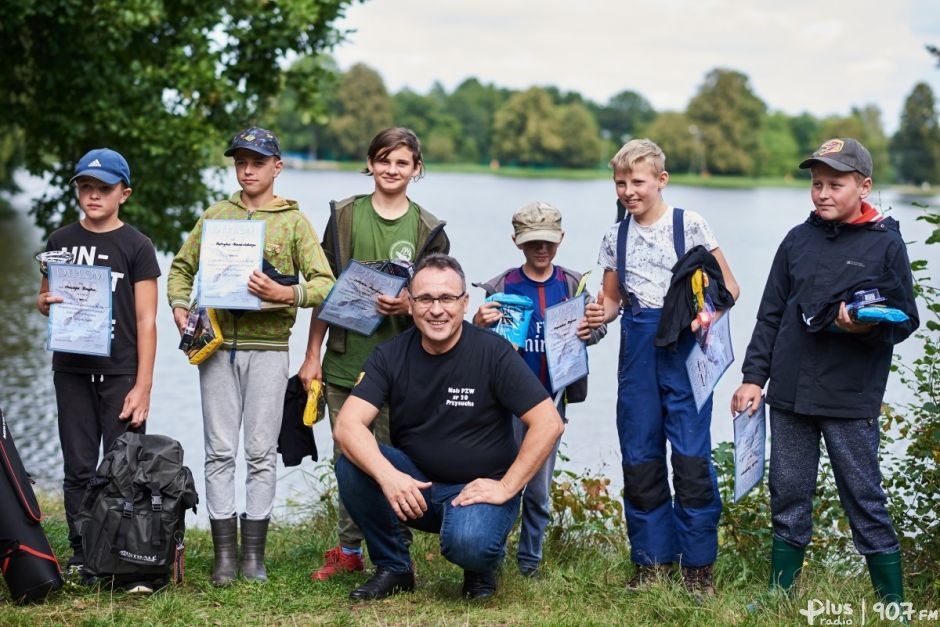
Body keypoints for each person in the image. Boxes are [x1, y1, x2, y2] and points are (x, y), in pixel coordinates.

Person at [731, 138, 918, 606]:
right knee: (788, 492)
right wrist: (754, 377)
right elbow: (770, 313)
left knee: (863, 496)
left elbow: (905, 319)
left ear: (864, 187)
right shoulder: (796, 240)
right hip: (791, 394)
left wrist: (860, 328)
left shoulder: (886, 245)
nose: (823, 193)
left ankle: (891, 602)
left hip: (848, 397)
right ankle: (780, 594)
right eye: (817, 184)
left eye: (835, 184)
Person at [332, 253, 565, 601]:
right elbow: (347, 425)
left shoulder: (494, 352)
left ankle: (480, 566)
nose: (436, 309)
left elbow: (548, 422)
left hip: (479, 492)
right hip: (418, 488)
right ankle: (394, 566)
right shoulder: (390, 355)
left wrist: (506, 487)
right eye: (425, 298)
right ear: (409, 304)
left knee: (469, 543)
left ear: (464, 302)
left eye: (446, 298)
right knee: (352, 460)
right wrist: (388, 475)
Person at [167, 127, 334, 585]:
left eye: (257, 161)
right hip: (215, 345)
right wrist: (181, 310)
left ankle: (253, 558)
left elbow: (325, 283)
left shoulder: (293, 222)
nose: (247, 169)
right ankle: (224, 557)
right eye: (241, 161)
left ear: (276, 167)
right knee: (219, 450)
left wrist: (286, 292)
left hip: (268, 348)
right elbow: (181, 268)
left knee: (260, 451)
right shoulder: (215, 216)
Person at [299, 127, 449, 581]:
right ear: (370, 163)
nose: (391, 169)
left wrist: (407, 305)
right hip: (345, 361)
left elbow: (444, 302)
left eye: (402, 162)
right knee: (349, 456)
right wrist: (311, 356)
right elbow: (324, 289)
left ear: (416, 169)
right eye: (383, 159)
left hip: (405, 366)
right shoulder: (344, 216)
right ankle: (348, 550)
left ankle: (396, 550)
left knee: (393, 456)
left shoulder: (429, 229)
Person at [596, 138, 739, 595]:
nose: (628, 191)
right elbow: (613, 301)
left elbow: (729, 289)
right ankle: (651, 564)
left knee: (693, 457)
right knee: (639, 456)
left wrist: (706, 313)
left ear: (661, 180)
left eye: (637, 181)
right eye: (620, 182)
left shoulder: (688, 224)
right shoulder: (614, 235)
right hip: (637, 350)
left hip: (684, 347)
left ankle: (698, 569)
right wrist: (599, 314)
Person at [36, 148, 159, 583]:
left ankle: (125, 553)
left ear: (123, 193)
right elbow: (44, 298)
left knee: (124, 465)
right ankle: (83, 553)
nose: (93, 195)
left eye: (103, 188)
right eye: (86, 187)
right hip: (70, 369)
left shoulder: (138, 246)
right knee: (79, 466)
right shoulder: (59, 240)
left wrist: (143, 385)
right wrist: (44, 303)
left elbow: (146, 320)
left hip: (121, 371)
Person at [472, 201, 606, 577]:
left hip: (553, 401)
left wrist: (593, 326)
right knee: (501, 483)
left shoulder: (573, 283)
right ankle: (490, 560)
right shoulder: (501, 286)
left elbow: (596, 331)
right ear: (516, 241)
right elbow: (480, 346)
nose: (541, 249)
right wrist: (477, 323)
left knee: (539, 492)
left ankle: (529, 564)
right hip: (507, 406)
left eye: (548, 241)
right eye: (532, 243)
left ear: (561, 238)